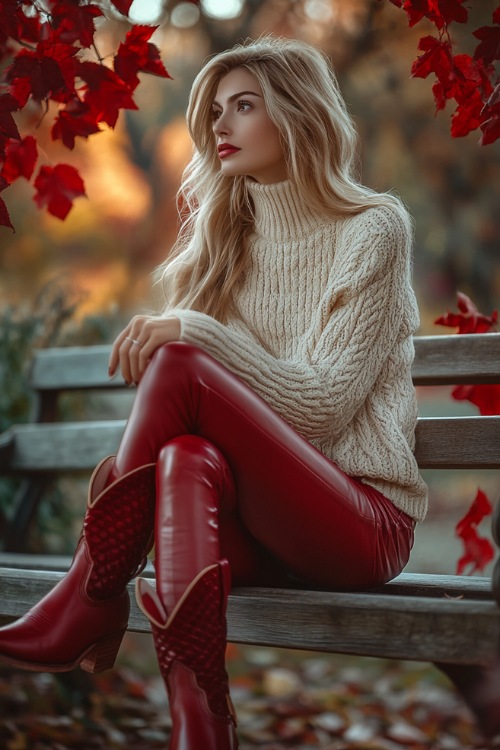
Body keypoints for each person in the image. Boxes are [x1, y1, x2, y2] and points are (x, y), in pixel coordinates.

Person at [2, 33, 487, 749]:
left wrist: (193, 331)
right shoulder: (227, 238)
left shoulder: (373, 227)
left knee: (176, 365)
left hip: (361, 525)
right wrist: (199, 315)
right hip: (262, 531)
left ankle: (90, 595)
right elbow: (214, 417)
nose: (219, 127)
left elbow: (323, 405)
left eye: (244, 107)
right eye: (215, 112)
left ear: (296, 115)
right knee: (185, 458)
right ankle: (202, 727)